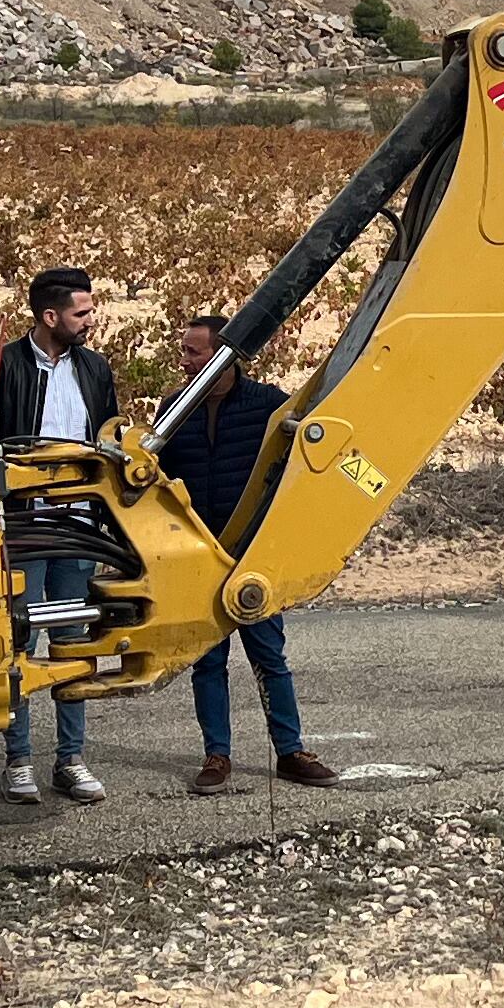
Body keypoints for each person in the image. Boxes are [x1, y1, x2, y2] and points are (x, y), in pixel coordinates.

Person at [159, 312, 341, 795]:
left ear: (224, 357)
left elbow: (298, 469)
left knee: (270, 658)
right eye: (185, 351)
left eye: (194, 352)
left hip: (255, 555)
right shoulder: (174, 408)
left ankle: (290, 751)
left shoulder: (268, 406)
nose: (185, 360)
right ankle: (217, 756)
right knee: (206, 662)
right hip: (198, 556)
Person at [0, 267, 119, 803]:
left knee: (74, 640)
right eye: (82, 312)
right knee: (17, 640)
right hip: (21, 529)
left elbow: (107, 439)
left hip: (79, 528)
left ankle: (71, 760)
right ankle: (19, 761)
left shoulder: (95, 368)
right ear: (49, 316)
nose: (91, 321)